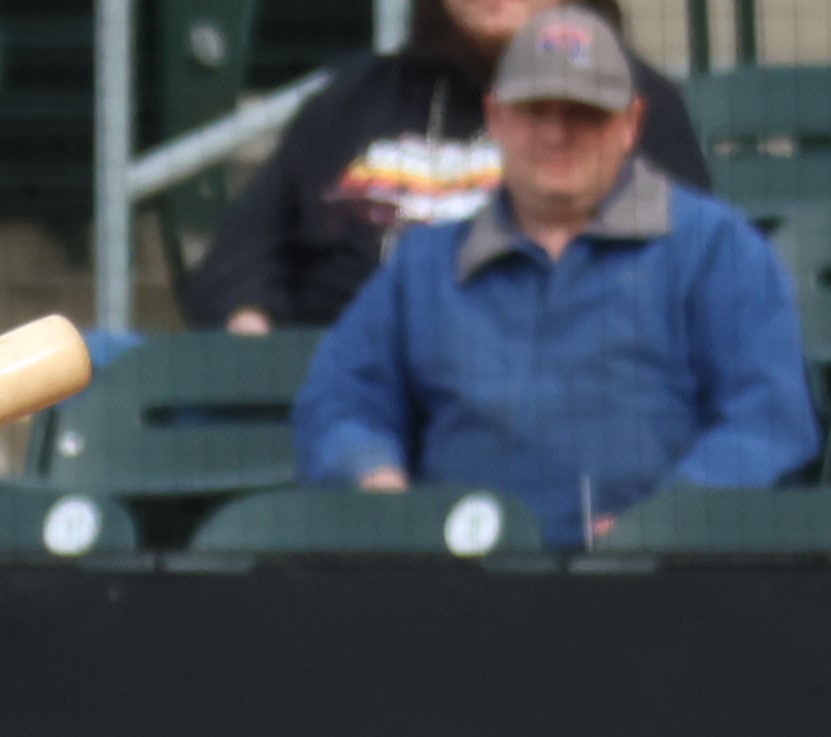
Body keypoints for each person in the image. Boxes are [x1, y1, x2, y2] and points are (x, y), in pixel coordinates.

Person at [293, 7, 815, 549]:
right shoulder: (424, 264)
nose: (557, 133)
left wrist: (665, 521)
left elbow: (766, 421)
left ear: (631, 124)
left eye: (584, 113)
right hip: (458, 586)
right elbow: (339, 400)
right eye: (535, 110)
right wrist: (374, 480)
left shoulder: (716, 249)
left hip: (663, 588)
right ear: (495, 118)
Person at [187, 0, 707, 333]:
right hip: (328, 389)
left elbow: (677, 289)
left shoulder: (618, 106)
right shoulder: (353, 98)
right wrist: (250, 332)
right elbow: (240, 256)